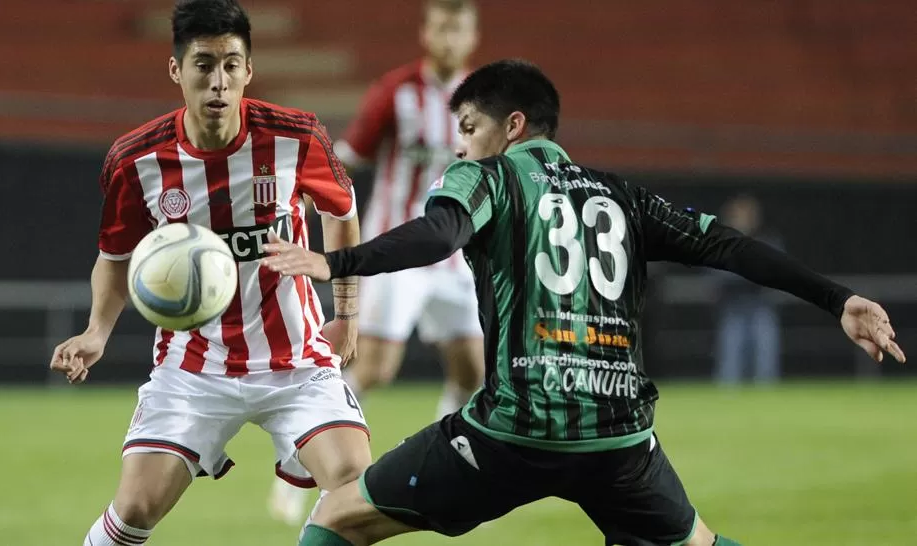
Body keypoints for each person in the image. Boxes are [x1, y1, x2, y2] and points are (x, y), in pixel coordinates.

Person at [261, 59, 906, 546]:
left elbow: (440, 234)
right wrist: (839, 298)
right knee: (698, 541)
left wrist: (338, 261)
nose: (459, 145)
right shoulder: (621, 193)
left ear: (511, 126)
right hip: (620, 442)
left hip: (512, 432)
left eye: (468, 128)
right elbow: (730, 247)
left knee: (339, 515)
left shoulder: (486, 176)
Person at [48, 1, 371, 544]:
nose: (217, 81)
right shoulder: (135, 161)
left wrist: (349, 314)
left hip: (295, 358)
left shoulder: (297, 137)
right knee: (134, 509)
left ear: (249, 70)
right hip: (192, 367)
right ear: (176, 70)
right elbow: (116, 256)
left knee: (356, 489)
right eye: (203, 64)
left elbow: (342, 212)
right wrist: (96, 331)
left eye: (230, 65)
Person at [268, 0, 485, 526]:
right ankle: (299, 465)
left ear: (473, 35)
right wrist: (298, 184)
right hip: (400, 251)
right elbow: (349, 155)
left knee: (475, 372)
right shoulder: (397, 92)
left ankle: (451, 471)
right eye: (441, 26)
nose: (449, 37)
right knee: (376, 368)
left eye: (459, 28)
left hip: (458, 256)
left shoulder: (486, 97)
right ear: (426, 32)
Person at [711, 194, 783, 385]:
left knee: (765, 367)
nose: (743, 220)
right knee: (730, 369)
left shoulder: (766, 241)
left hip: (760, 307)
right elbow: (717, 275)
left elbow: (777, 271)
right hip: (732, 309)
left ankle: (767, 410)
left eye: (747, 215)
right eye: (738, 215)